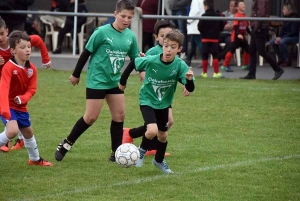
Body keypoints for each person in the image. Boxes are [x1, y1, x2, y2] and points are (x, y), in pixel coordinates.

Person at [54, 0, 141, 162]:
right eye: (123, 16)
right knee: (91, 117)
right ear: (115, 14)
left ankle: (115, 153)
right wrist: (76, 74)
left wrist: (142, 70)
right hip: (97, 80)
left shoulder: (130, 36)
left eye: (130, 17)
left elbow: (136, 58)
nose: (126, 20)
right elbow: (86, 53)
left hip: (114, 82)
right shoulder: (101, 32)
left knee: (119, 116)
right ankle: (66, 143)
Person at [119, 29, 195, 173]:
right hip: (147, 99)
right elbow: (134, 63)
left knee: (163, 135)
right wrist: (123, 81)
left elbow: (190, 88)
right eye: (166, 45)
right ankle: (141, 152)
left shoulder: (180, 65)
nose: (168, 49)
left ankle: (158, 161)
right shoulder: (152, 60)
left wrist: (189, 81)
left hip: (164, 103)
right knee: (152, 130)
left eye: (173, 47)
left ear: (179, 49)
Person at [122, 19, 182, 157]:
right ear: (156, 37)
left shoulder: (172, 52)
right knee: (154, 125)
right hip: (151, 95)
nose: (166, 39)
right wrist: (143, 75)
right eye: (162, 36)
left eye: (169, 35)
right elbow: (140, 66)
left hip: (164, 95)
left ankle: (136, 137)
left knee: (166, 122)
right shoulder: (153, 52)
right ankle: (137, 139)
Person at [0, 30, 53, 166]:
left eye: (29, 47)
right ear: (13, 51)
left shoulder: (32, 69)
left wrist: (23, 99)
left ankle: (34, 159)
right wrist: (5, 110)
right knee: (12, 131)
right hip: (7, 104)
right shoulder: (9, 67)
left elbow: (32, 90)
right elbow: (3, 89)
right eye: (23, 48)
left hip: (21, 107)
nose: (28, 50)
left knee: (28, 133)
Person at [240, 0, 284, 80]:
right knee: (252, 50)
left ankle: (277, 69)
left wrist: (256, 26)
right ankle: (251, 73)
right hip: (258, 27)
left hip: (260, 27)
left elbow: (262, 13)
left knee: (261, 51)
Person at [221, 0, 250, 72]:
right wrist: (238, 34)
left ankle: (245, 65)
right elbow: (236, 26)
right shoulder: (237, 16)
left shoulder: (244, 16)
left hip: (242, 37)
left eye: (243, 4)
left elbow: (246, 27)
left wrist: (251, 34)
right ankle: (225, 65)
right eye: (241, 5)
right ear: (237, 7)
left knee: (248, 49)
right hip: (236, 37)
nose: (243, 6)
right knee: (232, 50)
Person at [198, 0, 224, 78]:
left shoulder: (203, 16)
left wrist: (203, 33)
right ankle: (216, 73)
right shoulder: (218, 15)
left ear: (206, 6)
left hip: (205, 39)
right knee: (215, 55)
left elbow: (199, 27)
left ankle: (204, 73)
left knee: (205, 56)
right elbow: (222, 26)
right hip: (215, 39)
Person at [269, 3, 300, 67]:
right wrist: (279, 37)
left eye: (284, 9)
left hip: (294, 37)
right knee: (272, 42)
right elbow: (282, 30)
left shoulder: (295, 18)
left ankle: (287, 59)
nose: (282, 10)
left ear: (289, 10)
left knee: (282, 41)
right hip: (285, 37)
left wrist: (281, 38)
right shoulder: (285, 18)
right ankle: (281, 58)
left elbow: (293, 32)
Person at [185, 0, 205, 67]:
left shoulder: (196, 0)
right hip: (198, 25)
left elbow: (195, 11)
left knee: (199, 44)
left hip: (195, 25)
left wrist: (189, 20)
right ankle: (188, 60)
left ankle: (204, 60)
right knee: (193, 44)